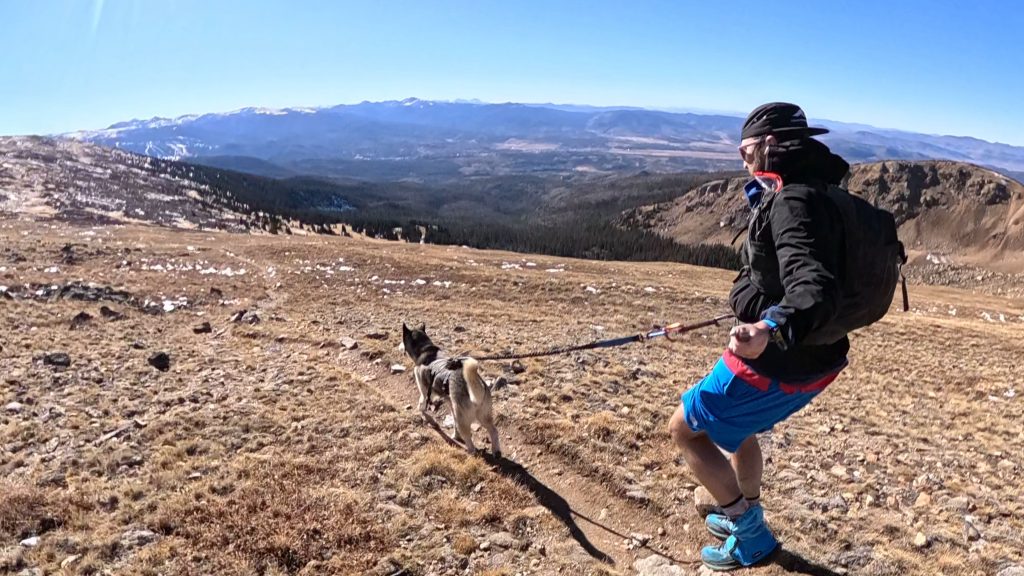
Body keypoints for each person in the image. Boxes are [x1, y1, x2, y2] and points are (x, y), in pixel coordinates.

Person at [668, 102, 852, 571]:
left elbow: (813, 286)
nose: (743, 161)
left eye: (747, 151)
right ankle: (743, 512)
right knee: (740, 430)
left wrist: (769, 328)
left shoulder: (790, 201)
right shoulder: (825, 193)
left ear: (770, 145)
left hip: (772, 361)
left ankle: (750, 533)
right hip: (821, 361)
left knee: (684, 430)